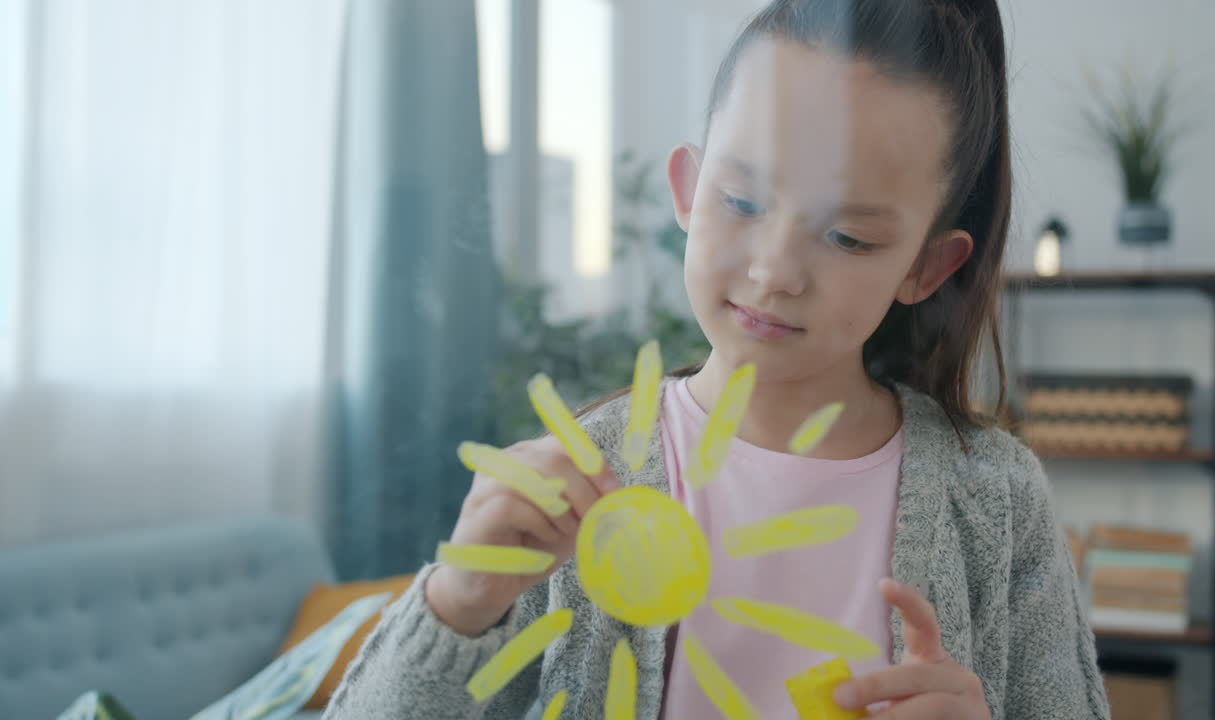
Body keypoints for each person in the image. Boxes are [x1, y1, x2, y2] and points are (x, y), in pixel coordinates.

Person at [324, 0, 1110, 717]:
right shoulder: (578, 483)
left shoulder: (996, 500)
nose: (775, 272)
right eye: (740, 202)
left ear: (925, 269)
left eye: (846, 237)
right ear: (688, 190)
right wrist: (457, 607)